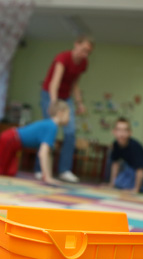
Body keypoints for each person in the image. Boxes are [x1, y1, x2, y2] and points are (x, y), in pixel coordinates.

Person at [0, 101, 70, 185]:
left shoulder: (50, 125)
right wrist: (47, 177)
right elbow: (43, 153)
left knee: (9, 172)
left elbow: (48, 154)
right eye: (68, 114)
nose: (69, 118)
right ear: (60, 113)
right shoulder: (52, 126)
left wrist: (48, 176)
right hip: (11, 139)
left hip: (13, 140)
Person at [37, 35, 94, 183]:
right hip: (49, 94)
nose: (85, 54)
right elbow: (54, 84)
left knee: (70, 132)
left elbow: (75, 84)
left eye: (88, 52)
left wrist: (79, 103)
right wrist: (54, 104)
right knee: (50, 130)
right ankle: (40, 170)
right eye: (83, 50)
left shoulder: (83, 64)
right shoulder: (62, 58)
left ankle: (64, 170)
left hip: (66, 97)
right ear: (76, 44)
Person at [108, 117, 143, 193]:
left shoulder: (135, 146)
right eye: (119, 130)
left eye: (125, 130)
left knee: (128, 186)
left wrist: (136, 189)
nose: (121, 134)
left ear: (130, 133)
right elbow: (115, 164)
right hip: (130, 167)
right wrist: (112, 184)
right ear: (114, 132)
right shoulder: (115, 145)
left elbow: (140, 169)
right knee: (118, 184)